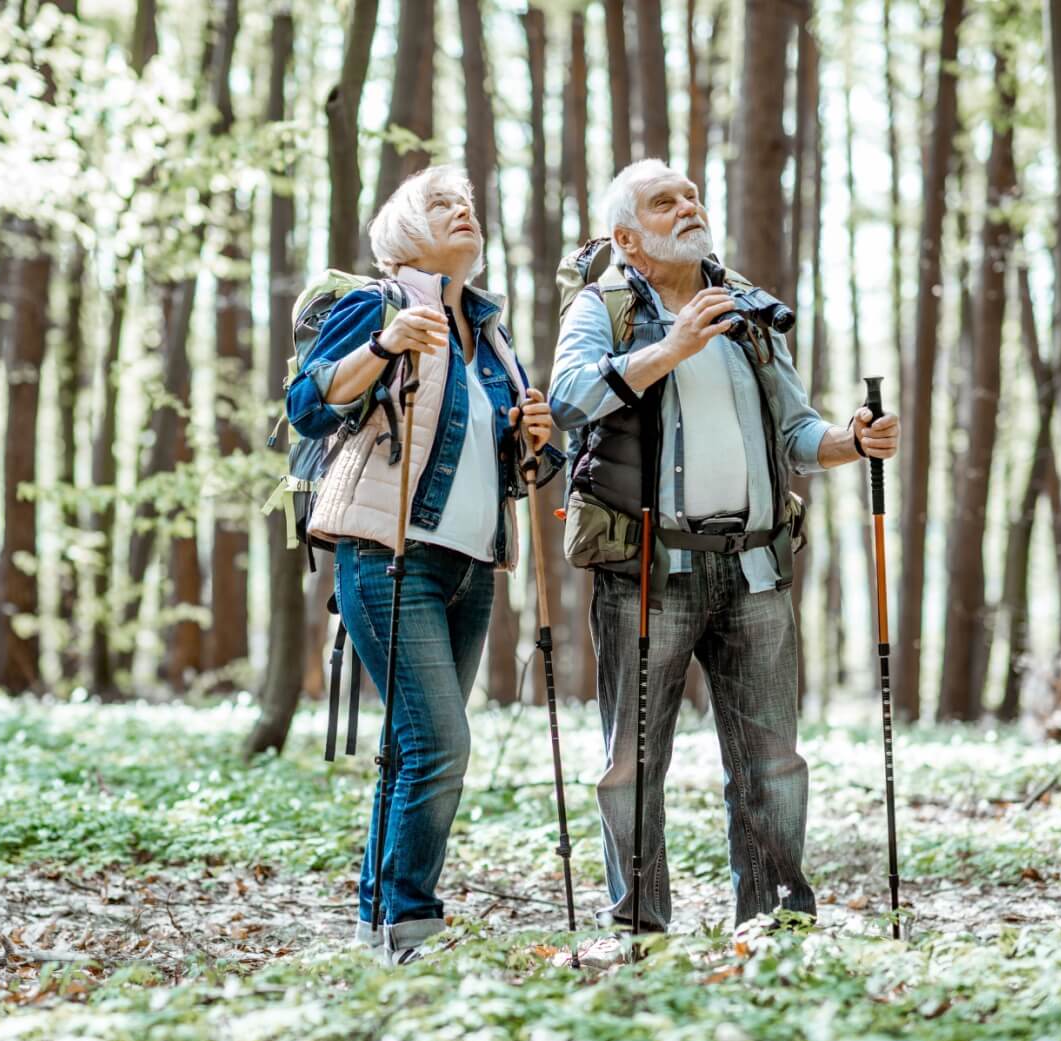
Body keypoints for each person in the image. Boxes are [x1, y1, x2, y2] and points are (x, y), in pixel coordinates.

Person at [548, 159, 901, 951]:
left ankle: (775, 927)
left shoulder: (748, 311)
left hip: (756, 570)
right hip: (647, 569)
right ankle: (640, 929)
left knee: (773, 762)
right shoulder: (601, 305)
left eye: (692, 194)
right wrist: (670, 347)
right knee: (633, 766)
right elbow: (568, 398)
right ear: (627, 238)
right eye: (664, 201)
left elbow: (799, 434)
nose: (689, 206)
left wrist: (853, 441)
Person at [286, 165, 564, 965]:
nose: (463, 212)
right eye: (443, 204)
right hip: (387, 555)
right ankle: (412, 927)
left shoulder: (491, 332)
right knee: (442, 743)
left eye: (470, 205)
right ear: (405, 229)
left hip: (470, 566)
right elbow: (306, 404)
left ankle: (380, 923)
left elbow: (492, 455)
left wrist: (528, 431)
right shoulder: (377, 305)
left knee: (413, 747)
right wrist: (383, 345)